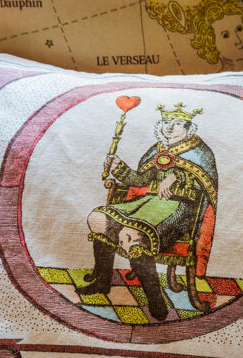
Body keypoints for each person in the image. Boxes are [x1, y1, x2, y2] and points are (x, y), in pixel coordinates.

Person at [78, 103, 218, 321]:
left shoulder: (200, 152)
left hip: (181, 210)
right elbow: (140, 180)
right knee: (98, 219)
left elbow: (206, 185)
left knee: (133, 235)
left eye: (177, 123)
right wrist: (119, 167)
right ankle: (102, 281)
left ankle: (155, 300)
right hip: (148, 203)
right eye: (166, 122)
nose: (169, 127)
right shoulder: (158, 149)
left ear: (188, 128)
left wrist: (177, 176)